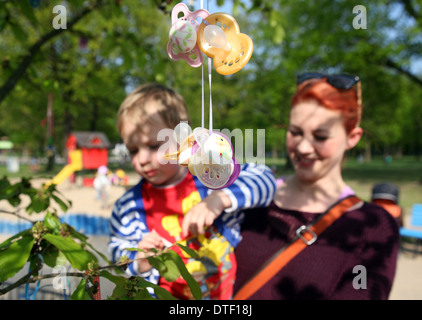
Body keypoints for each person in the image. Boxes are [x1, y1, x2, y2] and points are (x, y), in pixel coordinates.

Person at [233, 72, 400, 300]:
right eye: (295, 132)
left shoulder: (373, 228)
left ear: (352, 137)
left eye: (320, 137)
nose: (303, 147)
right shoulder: (249, 197)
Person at [108, 83, 276, 300]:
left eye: (153, 146)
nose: (141, 159)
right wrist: (138, 260)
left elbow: (265, 178)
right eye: (133, 150)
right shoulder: (129, 206)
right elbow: (116, 251)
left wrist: (219, 199)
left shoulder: (209, 177)